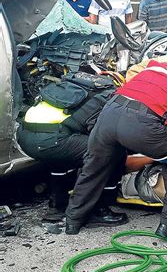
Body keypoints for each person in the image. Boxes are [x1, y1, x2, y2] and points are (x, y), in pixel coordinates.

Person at [65, 47, 167, 236]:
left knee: (93, 166)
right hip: (141, 124)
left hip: (108, 115)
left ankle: (73, 220)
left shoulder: (157, 66)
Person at [17, 75, 123, 224]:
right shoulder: (107, 99)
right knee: (110, 152)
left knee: (64, 154)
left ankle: (57, 205)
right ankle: (99, 210)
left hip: (24, 137)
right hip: (49, 140)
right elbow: (100, 136)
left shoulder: (73, 86)